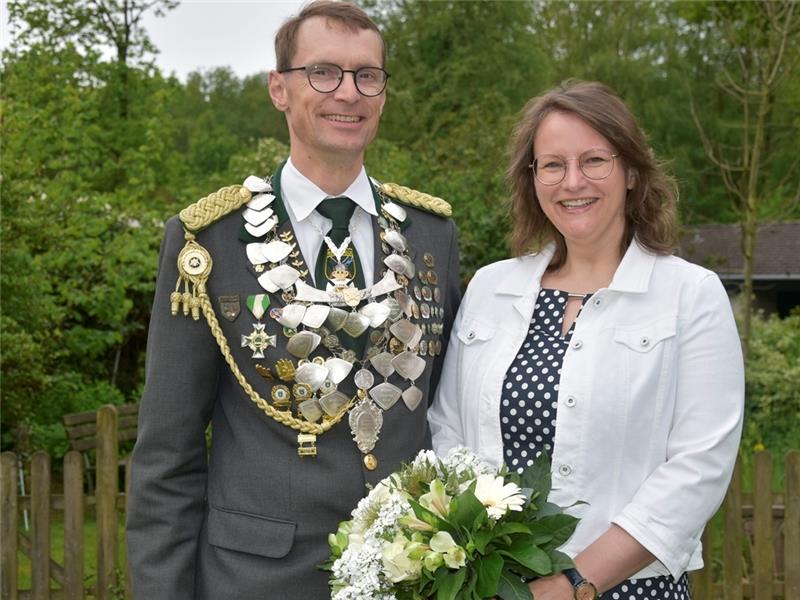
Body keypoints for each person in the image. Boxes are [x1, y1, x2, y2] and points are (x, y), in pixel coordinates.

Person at [126, 2, 460, 598]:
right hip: (257, 578)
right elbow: (167, 458)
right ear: (279, 88)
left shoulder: (430, 233)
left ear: (383, 93)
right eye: (324, 72)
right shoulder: (210, 241)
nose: (348, 93)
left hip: (411, 575)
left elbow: (442, 410)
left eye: (368, 75)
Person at [428, 81, 743, 600]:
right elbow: (446, 430)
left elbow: (700, 466)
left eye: (595, 160)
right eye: (552, 165)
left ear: (632, 173)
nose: (572, 181)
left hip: (631, 589)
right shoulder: (490, 288)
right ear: (532, 180)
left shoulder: (689, 295)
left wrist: (573, 582)